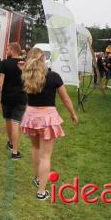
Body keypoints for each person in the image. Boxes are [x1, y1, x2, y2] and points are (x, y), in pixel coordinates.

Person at [20, 48, 78, 200]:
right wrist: (72, 113)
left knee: (35, 148)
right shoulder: (53, 76)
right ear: (43, 59)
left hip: (31, 115)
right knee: (46, 156)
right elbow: (65, 99)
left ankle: (38, 178)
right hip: (47, 118)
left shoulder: (27, 76)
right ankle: (41, 191)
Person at [0, 42, 27, 160]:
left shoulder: (5, 63)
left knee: (9, 121)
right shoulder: (24, 64)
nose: (6, 50)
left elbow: (0, 82)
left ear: (13, 50)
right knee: (15, 123)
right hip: (20, 97)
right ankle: (14, 151)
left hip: (7, 97)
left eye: (8, 49)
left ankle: (12, 145)